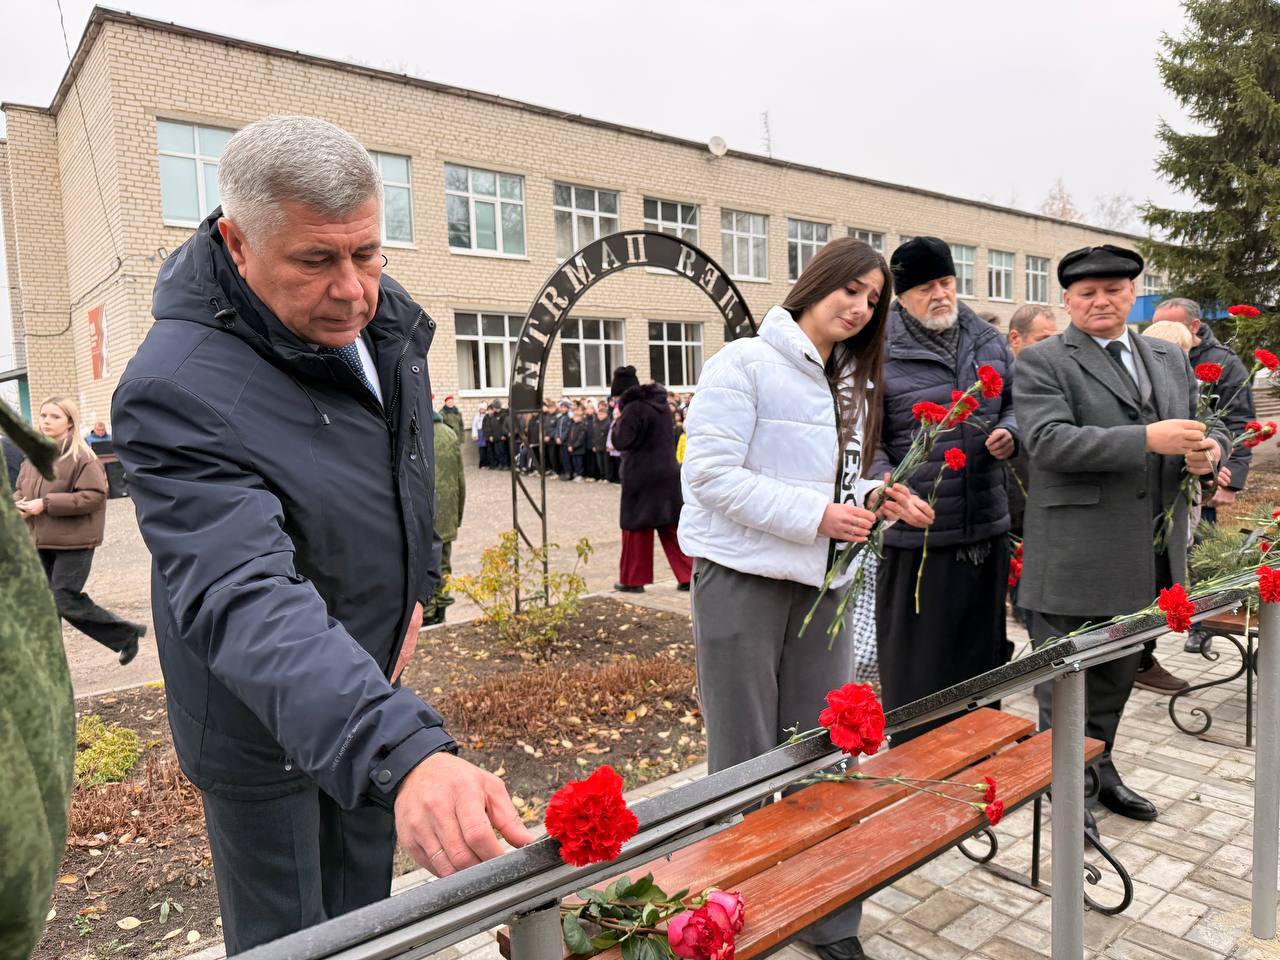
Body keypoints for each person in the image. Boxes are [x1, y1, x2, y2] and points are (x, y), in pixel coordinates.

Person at [110, 116, 532, 955]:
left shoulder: (382, 324)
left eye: (368, 253)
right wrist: (401, 751)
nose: (352, 291)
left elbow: (406, 468)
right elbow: (242, 593)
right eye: (315, 261)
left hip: (369, 694)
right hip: (263, 727)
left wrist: (421, 584)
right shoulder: (172, 388)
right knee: (293, 938)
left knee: (365, 920)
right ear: (237, 243)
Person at [680, 238, 933, 960]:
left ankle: (827, 918)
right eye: (850, 290)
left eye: (873, 300)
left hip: (823, 586)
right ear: (816, 283)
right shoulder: (743, 363)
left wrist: (873, 498)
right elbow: (710, 476)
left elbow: (835, 482)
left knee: (825, 748)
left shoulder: (853, 380)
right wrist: (816, 516)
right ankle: (731, 908)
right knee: (743, 753)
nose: (860, 308)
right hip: (743, 579)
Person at [1016, 244, 1229, 824]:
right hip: (1076, 556)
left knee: (1116, 677)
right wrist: (1146, 440)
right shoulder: (1043, 360)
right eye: (1087, 293)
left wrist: (1210, 450)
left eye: (1113, 290)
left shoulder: (1167, 355)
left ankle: (1100, 767)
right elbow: (1047, 442)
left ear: (1132, 295)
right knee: (1066, 686)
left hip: (1148, 555)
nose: (1101, 301)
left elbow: (1205, 424)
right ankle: (1069, 797)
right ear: (1068, 301)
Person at [871, 237, 1018, 742]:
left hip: (985, 528)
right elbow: (865, 440)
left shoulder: (987, 339)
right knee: (920, 669)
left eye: (947, 283)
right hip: (917, 536)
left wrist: (1011, 431)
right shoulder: (878, 348)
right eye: (927, 287)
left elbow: (1016, 403)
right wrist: (886, 486)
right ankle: (917, 759)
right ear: (902, 295)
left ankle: (981, 753)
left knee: (982, 662)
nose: (941, 295)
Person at [1153, 296, 1254, 659]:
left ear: (1194, 327)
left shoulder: (1224, 362)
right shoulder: (1150, 356)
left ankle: (1201, 626)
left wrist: (1229, 477)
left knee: (1199, 553)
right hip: (1166, 484)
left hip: (1205, 480)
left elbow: (1237, 421)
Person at [15, 396, 148, 666]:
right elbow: (21, 488)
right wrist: (18, 503)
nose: (46, 421)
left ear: (69, 422)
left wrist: (45, 504)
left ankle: (125, 635)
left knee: (64, 598)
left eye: (55, 417)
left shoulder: (82, 457)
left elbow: (94, 496)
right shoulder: (33, 457)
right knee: (43, 604)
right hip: (39, 539)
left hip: (74, 542)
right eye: (43, 416)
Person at [610, 365, 692, 593]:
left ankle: (633, 580)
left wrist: (617, 422)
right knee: (672, 527)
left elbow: (621, 441)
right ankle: (689, 574)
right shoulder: (661, 405)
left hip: (641, 477)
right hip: (667, 474)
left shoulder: (632, 409)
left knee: (636, 529)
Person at [425, 408, 466, 626]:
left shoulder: (415, 432)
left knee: (424, 564)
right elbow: (460, 479)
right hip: (447, 512)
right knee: (443, 563)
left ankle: (428, 611)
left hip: (423, 514)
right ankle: (441, 608)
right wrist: (458, 515)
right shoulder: (450, 434)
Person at [567, 406, 588, 482]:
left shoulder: (582, 425)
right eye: (574, 417)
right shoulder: (573, 425)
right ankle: (576, 473)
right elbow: (570, 436)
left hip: (579, 448)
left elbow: (581, 439)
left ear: (580, 418)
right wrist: (569, 445)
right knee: (574, 462)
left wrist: (573, 446)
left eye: (577, 417)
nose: (575, 419)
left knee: (579, 462)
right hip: (572, 448)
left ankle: (580, 475)